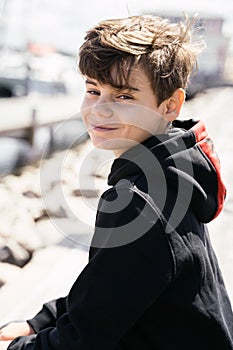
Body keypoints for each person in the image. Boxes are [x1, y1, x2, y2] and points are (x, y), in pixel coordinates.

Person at [0, 13, 233, 350]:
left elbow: (82, 341)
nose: (100, 109)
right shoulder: (175, 178)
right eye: (93, 90)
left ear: (170, 105)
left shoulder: (142, 203)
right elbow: (116, 290)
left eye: (124, 97)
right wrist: (39, 322)